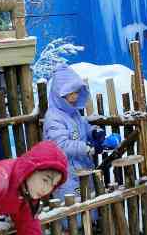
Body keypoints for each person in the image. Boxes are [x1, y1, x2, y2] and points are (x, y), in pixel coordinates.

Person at [42, 64, 118, 200]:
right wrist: (88, 148)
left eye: (76, 92)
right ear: (60, 94)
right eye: (71, 93)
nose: (75, 96)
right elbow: (60, 145)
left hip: (81, 169)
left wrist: (94, 132)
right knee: (74, 212)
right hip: (65, 175)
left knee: (89, 205)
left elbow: (83, 127)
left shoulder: (73, 112)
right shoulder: (53, 117)